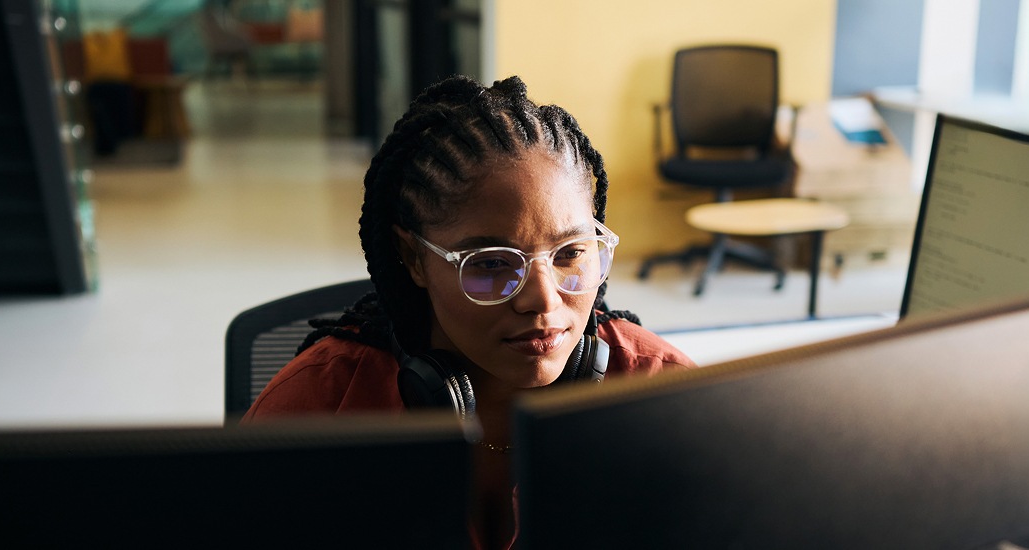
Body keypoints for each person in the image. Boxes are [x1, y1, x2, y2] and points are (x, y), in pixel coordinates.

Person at [242, 74, 696, 549]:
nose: (542, 299)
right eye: (493, 263)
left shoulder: (663, 391)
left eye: (570, 253)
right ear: (415, 259)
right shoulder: (319, 410)